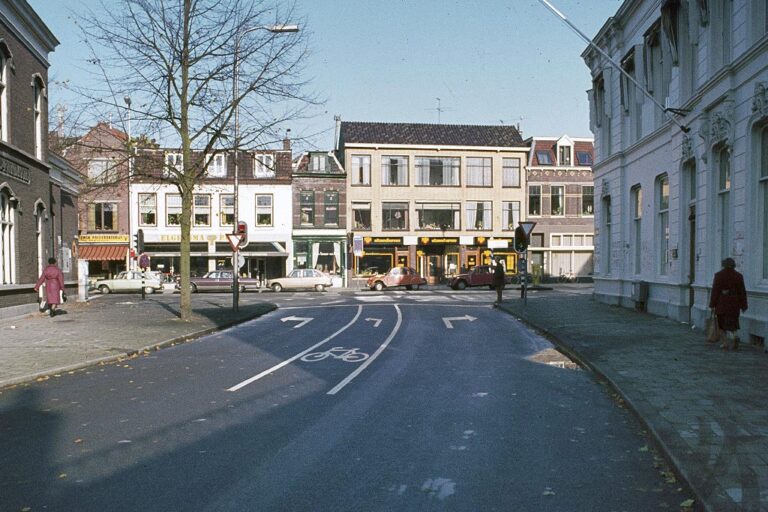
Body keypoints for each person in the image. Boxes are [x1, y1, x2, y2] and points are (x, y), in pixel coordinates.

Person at [709, 257, 748, 350]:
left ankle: (725, 342)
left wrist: (712, 304)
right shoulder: (738, 276)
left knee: (722, 324)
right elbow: (742, 292)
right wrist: (744, 305)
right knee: (733, 322)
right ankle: (735, 336)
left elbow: (715, 291)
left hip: (722, 302)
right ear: (733, 265)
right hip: (735, 303)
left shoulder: (719, 275)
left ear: (723, 265)